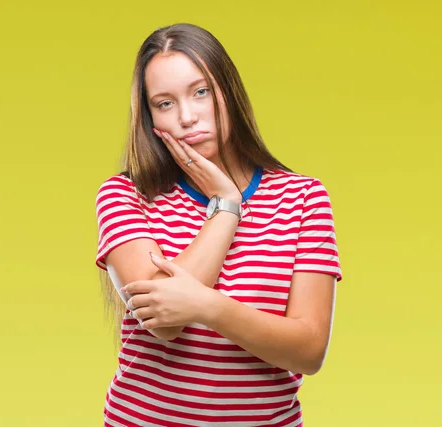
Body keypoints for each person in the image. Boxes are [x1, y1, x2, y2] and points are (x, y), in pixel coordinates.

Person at [94, 23, 342, 427]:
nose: (188, 118)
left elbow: (309, 350)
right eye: (164, 103)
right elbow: (165, 323)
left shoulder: (303, 198)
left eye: (201, 92)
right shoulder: (125, 195)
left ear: (228, 91)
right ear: (149, 117)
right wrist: (226, 206)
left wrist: (207, 306)